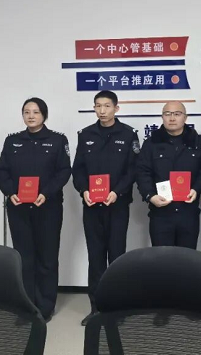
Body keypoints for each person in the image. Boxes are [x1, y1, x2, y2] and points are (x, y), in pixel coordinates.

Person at [0, 97, 71, 322]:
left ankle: (45, 307)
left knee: (47, 258)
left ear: (44, 115)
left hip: (48, 208)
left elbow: (64, 171)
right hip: (19, 208)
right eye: (26, 112)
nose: (30, 116)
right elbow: (1, 171)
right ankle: (27, 304)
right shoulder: (13, 141)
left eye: (36, 112)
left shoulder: (57, 140)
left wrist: (46, 193)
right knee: (24, 258)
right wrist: (10, 192)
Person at [72, 90, 140, 326]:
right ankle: (96, 308)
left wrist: (117, 192)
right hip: (92, 206)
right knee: (96, 257)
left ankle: (117, 308)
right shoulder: (86, 135)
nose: (102, 111)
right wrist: (84, 190)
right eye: (98, 106)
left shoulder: (128, 134)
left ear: (116, 108)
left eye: (107, 106)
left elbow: (133, 169)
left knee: (117, 256)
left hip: (117, 205)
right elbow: (78, 169)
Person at [136, 101, 201, 249]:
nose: (172, 118)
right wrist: (150, 196)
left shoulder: (197, 142)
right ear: (162, 117)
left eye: (177, 114)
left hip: (188, 213)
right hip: (161, 213)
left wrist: (197, 189)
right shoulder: (151, 143)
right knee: (162, 259)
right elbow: (142, 172)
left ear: (185, 117)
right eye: (167, 114)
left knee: (187, 258)